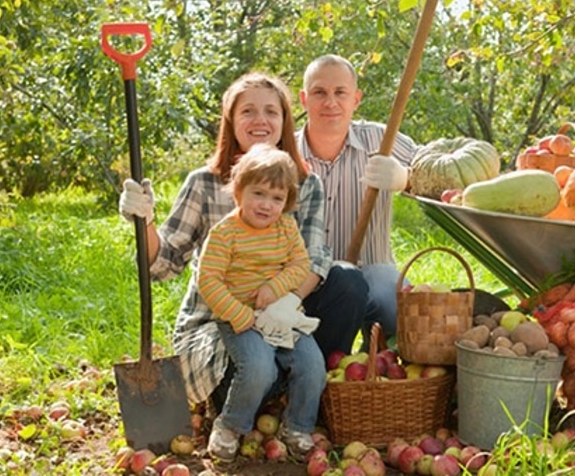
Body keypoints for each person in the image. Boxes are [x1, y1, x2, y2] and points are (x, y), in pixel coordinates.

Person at [118, 71, 368, 424]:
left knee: (348, 282)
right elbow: (163, 265)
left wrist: (279, 307)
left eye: (271, 111)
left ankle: (306, 394)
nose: (260, 120)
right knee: (252, 369)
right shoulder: (204, 183)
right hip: (220, 321)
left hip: (281, 313)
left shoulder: (304, 184)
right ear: (231, 121)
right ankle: (256, 397)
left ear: (284, 121)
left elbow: (312, 260)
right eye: (248, 111)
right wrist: (143, 220)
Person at [196, 143, 324, 461]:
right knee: (258, 368)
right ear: (239, 192)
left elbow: (300, 266)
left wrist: (275, 286)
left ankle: (297, 426)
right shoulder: (225, 233)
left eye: (277, 198)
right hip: (241, 318)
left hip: (281, 315)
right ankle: (229, 425)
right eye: (259, 194)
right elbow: (208, 280)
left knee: (312, 365)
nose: (267, 205)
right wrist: (241, 315)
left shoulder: (286, 227)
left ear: (287, 202)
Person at [296, 54, 418, 343]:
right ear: (303, 99)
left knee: (398, 305)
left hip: (372, 273)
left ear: (356, 99)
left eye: (340, 93)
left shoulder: (380, 140)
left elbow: (437, 169)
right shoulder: (284, 152)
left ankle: (387, 362)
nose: (330, 102)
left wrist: (406, 177)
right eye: (319, 92)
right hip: (302, 280)